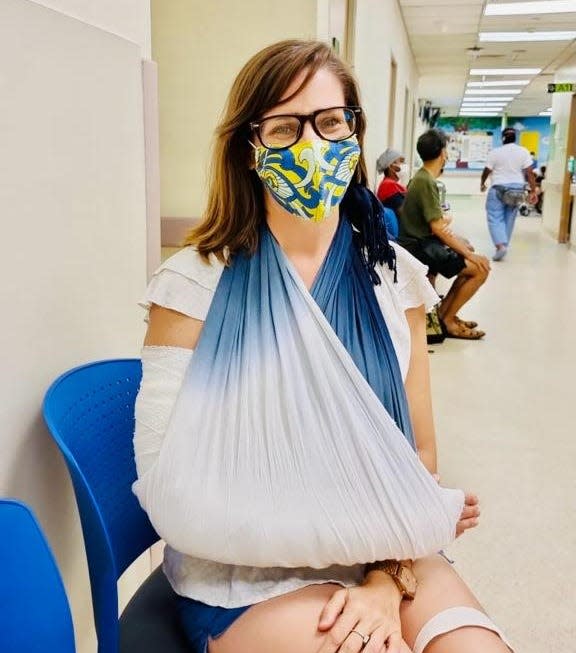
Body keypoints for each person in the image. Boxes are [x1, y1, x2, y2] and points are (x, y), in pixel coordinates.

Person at [132, 40, 513, 653]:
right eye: (284, 127)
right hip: (241, 578)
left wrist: (388, 574)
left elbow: (416, 449)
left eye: (330, 121)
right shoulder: (193, 285)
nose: (312, 144)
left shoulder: (398, 280)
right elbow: (174, 498)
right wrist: (405, 516)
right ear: (249, 148)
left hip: (388, 560)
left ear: (354, 130)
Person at [398, 129, 491, 340]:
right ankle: (448, 320)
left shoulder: (422, 179)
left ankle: (445, 315)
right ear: (442, 153)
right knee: (479, 268)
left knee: (469, 261)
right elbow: (437, 227)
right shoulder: (425, 181)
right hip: (419, 248)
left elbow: (436, 224)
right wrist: (469, 255)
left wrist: (463, 247)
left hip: (422, 244)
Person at [480, 127, 537, 261]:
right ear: (515, 137)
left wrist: (482, 183)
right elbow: (529, 172)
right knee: (509, 217)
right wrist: (533, 190)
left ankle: (500, 246)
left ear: (502, 138)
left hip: (498, 188)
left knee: (494, 216)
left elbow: (486, 170)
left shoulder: (496, 152)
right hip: (517, 190)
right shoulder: (523, 151)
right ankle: (504, 244)